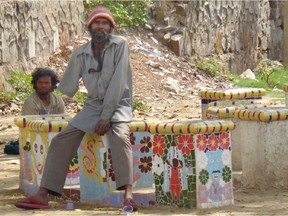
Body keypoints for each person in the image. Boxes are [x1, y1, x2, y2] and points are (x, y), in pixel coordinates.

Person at [15, 5, 135, 210]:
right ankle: (44, 194)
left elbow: (117, 84)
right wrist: (45, 84)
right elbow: (66, 86)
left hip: (118, 106)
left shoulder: (120, 45)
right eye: (96, 23)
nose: (100, 27)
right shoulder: (80, 54)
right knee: (61, 140)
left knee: (121, 137)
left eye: (105, 23)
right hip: (92, 108)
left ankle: (128, 195)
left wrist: (106, 117)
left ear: (111, 27)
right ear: (89, 27)